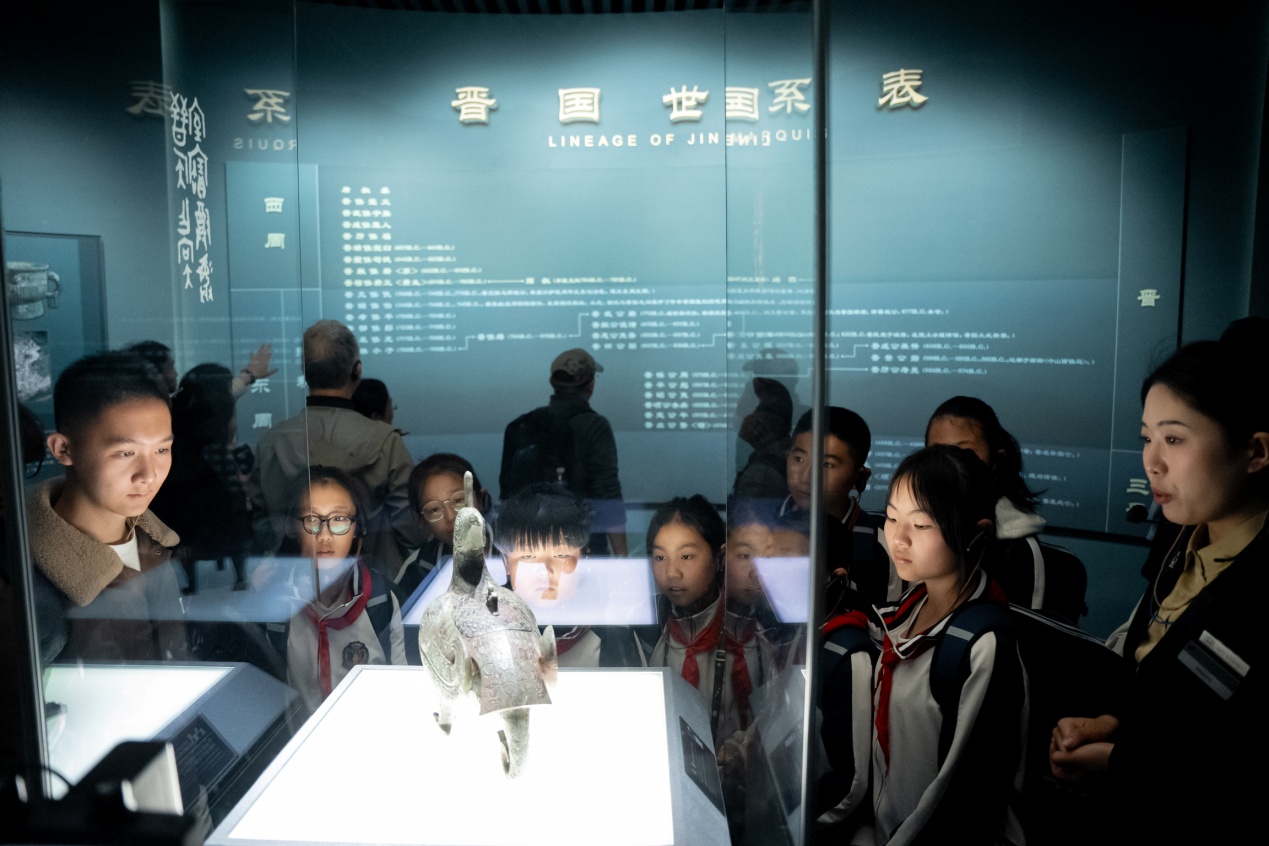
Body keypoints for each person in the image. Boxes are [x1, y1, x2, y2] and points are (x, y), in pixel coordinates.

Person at [1049, 336, 1266, 844]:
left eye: (1174, 439)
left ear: (1256, 451)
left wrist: (1122, 766)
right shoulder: (1180, 531)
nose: (1152, 461)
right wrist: (1113, 722)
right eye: (1146, 437)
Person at [868, 445, 1026, 846]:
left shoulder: (982, 644)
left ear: (977, 533)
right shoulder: (901, 616)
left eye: (921, 525)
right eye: (891, 517)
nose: (898, 538)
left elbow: (961, 795)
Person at [24, 351, 187, 664]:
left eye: (161, 450)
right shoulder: (26, 575)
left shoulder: (156, 544)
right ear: (63, 449)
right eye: (126, 453)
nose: (148, 475)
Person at [249, 320, 419, 576]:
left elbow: (263, 525)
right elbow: (410, 529)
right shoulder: (385, 441)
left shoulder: (271, 441)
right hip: (372, 579)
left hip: (294, 578)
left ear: (305, 372)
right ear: (357, 370)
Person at [925, 396, 1087, 622]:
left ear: (996, 459)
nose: (948, 465)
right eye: (936, 453)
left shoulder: (1021, 553)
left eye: (965, 453)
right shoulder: (908, 533)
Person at [272, 466, 406, 716]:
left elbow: (404, 689)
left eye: (339, 520)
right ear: (293, 528)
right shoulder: (275, 607)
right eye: (312, 520)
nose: (325, 536)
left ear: (358, 528)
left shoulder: (382, 600)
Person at [493, 482, 640, 667]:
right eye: (528, 556)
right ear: (506, 562)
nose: (545, 570)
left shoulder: (612, 635)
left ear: (584, 558)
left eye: (561, 555)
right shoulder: (482, 632)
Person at [500, 348, 627, 555]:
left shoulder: (520, 426)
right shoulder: (594, 426)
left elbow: (507, 499)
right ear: (591, 384)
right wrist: (623, 557)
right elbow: (608, 495)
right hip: (583, 547)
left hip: (529, 548)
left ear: (552, 382)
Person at [784, 407, 897, 607]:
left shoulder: (882, 547)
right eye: (799, 459)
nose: (806, 476)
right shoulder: (762, 528)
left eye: (827, 465)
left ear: (859, 477)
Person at [398, 453, 493, 598]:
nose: (451, 516)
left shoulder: (515, 551)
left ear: (481, 499)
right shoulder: (419, 567)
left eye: (459, 500)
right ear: (422, 521)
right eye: (435, 509)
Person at [732, 376, 794, 500]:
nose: (738, 418)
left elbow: (744, 511)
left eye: (741, 410)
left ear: (758, 421)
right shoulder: (786, 453)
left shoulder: (761, 473)